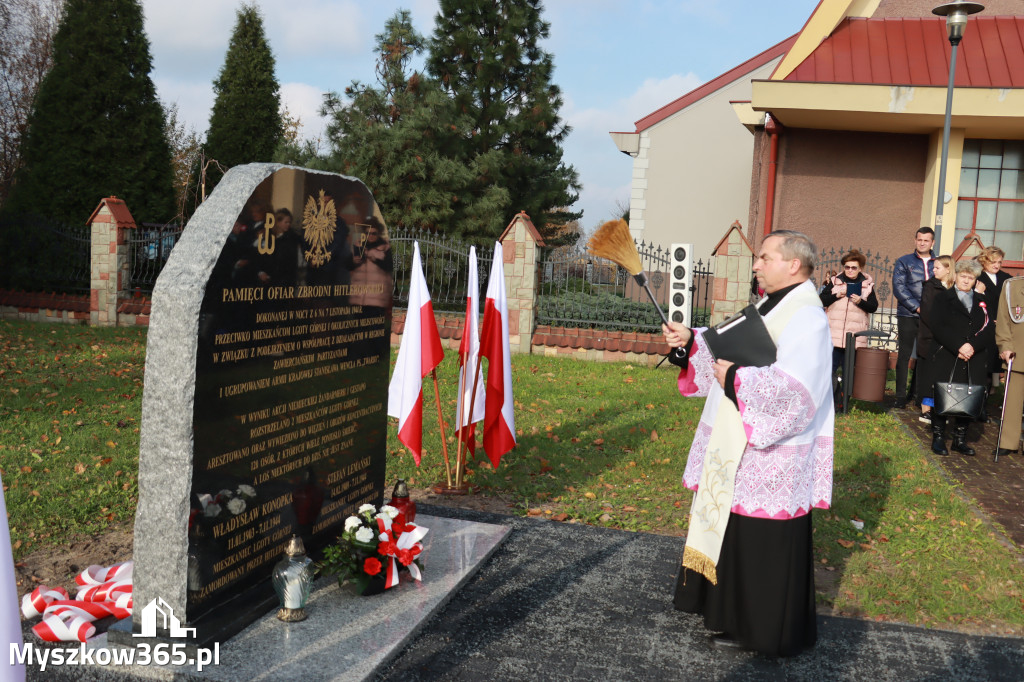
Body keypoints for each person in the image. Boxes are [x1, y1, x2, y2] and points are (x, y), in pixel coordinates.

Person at [662, 230, 833, 657]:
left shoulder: (808, 317)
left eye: (764, 257)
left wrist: (735, 378)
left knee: (764, 543)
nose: (755, 265)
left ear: (793, 264)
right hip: (739, 444)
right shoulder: (769, 304)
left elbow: (797, 389)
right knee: (735, 532)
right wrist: (690, 342)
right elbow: (732, 343)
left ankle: (766, 632)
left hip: (775, 451)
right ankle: (729, 617)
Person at [925, 259, 995, 456]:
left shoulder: (982, 301)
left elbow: (989, 328)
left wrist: (972, 346)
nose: (966, 280)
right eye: (963, 276)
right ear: (955, 276)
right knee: (944, 394)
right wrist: (959, 345)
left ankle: (959, 440)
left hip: (974, 356)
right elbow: (938, 326)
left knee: (968, 395)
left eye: (970, 277)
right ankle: (938, 437)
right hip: (948, 354)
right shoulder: (943, 298)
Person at [893, 227, 936, 408]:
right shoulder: (904, 261)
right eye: (920, 239)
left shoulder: (939, 263)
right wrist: (917, 307)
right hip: (908, 314)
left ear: (932, 242)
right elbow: (899, 288)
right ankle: (900, 396)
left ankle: (918, 395)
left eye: (926, 240)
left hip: (931, 317)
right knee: (904, 356)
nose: (922, 243)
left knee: (925, 355)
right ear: (915, 240)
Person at [819, 249, 879, 374]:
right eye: (847, 267)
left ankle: (845, 394)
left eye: (854, 267)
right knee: (829, 372)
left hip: (854, 338)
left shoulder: (867, 285)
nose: (850, 270)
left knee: (849, 373)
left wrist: (860, 302)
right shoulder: (835, 281)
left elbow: (873, 307)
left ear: (860, 269)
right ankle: (830, 394)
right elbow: (822, 300)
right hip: (834, 336)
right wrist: (836, 295)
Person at [916, 255, 954, 424]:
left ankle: (940, 409)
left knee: (942, 375)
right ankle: (926, 410)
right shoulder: (930, 286)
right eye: (934, 267)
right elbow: (927, 312)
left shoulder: (954, 287)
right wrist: (941, 331)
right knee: (928, 374)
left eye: (938, 267)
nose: (934, 270)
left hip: (948, 340)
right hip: (931, 337)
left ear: (948, 269)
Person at [995, 275, 1024, 457]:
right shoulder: (1011, 286)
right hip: (1018, 353)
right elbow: (1003, 320)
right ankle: (1008, 442)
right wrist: (1005, 346)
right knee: (1012, 402)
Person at [976, 247, 1011, 387]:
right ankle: (981, 400)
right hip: (984, 325)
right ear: (984, 261)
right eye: (993, 262)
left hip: (1001, 326)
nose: (996, 265)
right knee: (984, 364)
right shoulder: (978, 278)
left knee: (996, 365)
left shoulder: (1006, 278)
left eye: (999, 262)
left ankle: (993, 393)